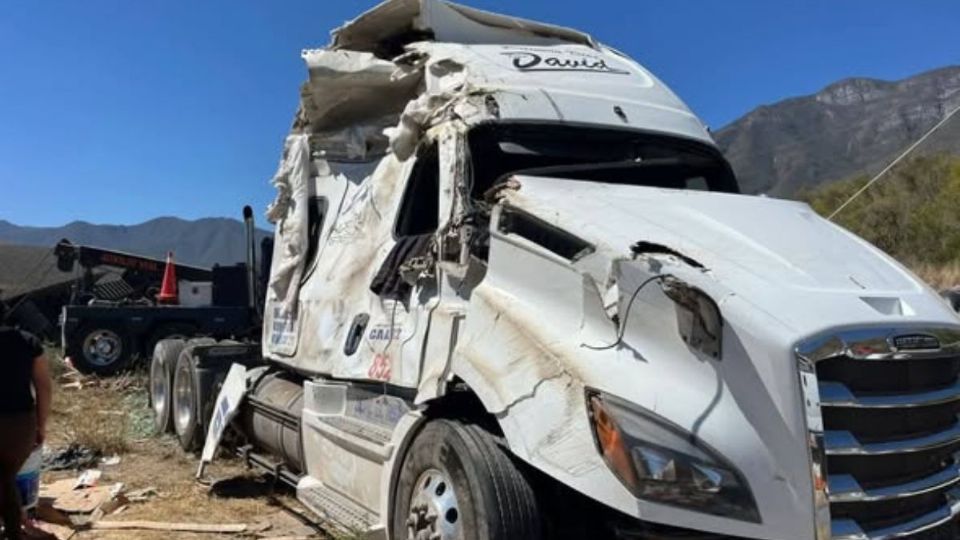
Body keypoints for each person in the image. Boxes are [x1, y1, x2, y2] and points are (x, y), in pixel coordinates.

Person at [0, 303, 52, 540]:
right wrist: (40, 426)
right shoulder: (28, 342)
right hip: (20, 427)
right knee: (5, 478)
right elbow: (43, 387)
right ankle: (13, 532)